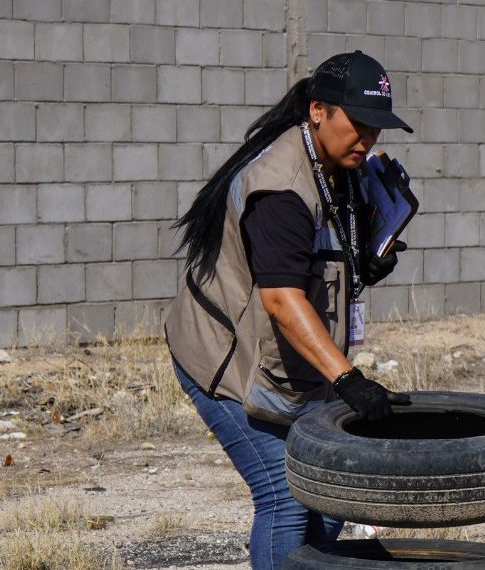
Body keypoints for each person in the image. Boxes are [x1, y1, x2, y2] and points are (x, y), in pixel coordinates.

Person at [163, 51, 414, 569]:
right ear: (318, 110)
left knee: (326, 501)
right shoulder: (281, 186)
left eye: (377, 128)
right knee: (285, 494)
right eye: (359, 124)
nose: (368, 140)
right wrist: (349, 380)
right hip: (224, 358)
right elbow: (282, 299)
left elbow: (323, 261)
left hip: (283, 364)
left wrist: (369, 253)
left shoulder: (341, 168)